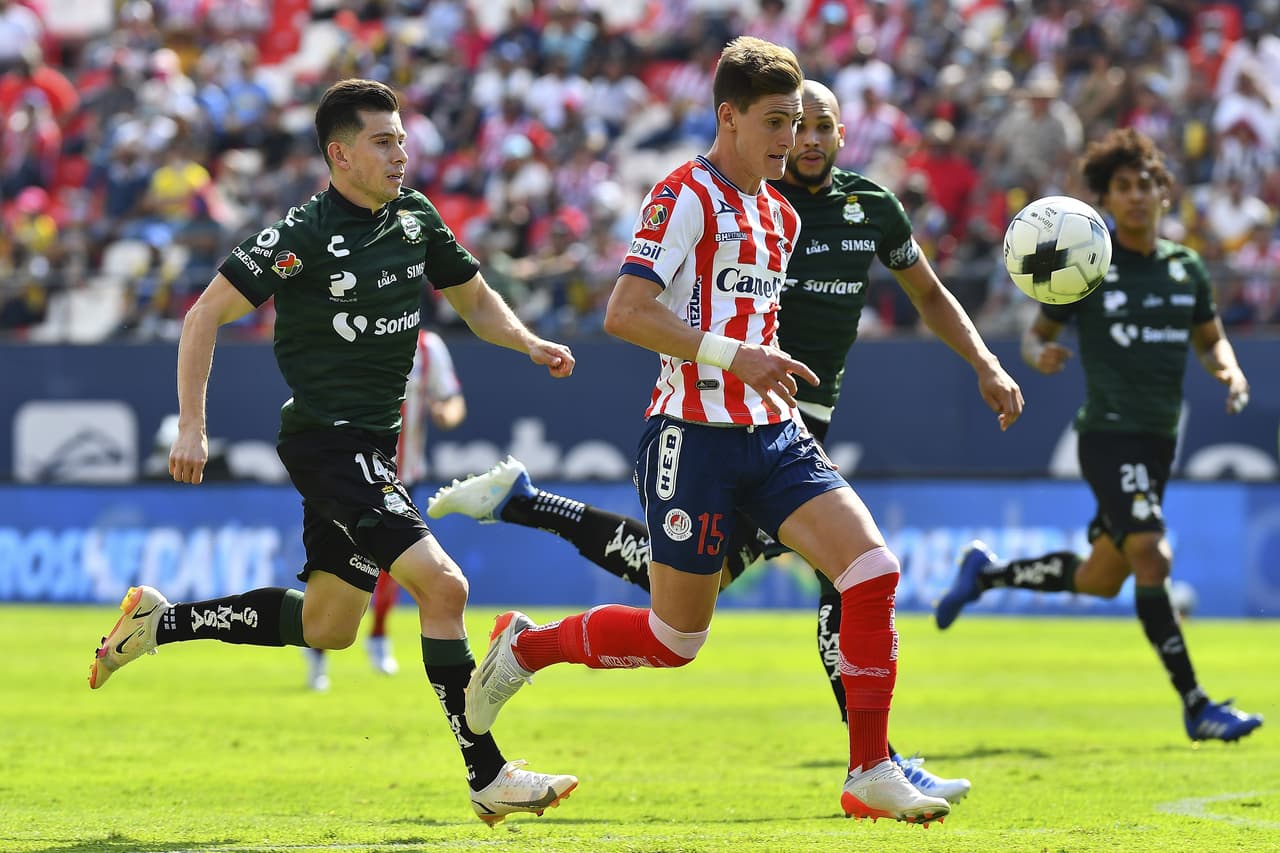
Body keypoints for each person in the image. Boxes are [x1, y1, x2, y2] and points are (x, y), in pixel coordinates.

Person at [464, 38, 1023, 825]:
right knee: (675, 639)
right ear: (728, 116)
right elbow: (624, 312)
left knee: (871, 570)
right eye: (775, 121)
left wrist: (764, 365)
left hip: (773, 431)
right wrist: (736, 356)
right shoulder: (683, 194)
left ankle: (870, 767)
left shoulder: (779, 214)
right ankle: (526, 647)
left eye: (797, 121)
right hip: (692, 434)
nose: (790, 138)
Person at [87, 78, 580, 825]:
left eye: (402, 140)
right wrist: (191, 424)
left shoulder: (415, 217)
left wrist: (529, 341)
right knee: (443, 588)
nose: (400, 154)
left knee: (329, 625)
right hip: (328, 442)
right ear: (340, 155)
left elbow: (475, 299)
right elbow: (202, 316)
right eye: (383, 142)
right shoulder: (302, 235)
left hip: (372, 443)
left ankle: (158, 622)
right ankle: (488, 773)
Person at [934, 127, 1264, 744]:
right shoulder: (1087, 264)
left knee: (1102, 578)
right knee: (1152, 553)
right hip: (1109, 436)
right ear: (1106, 200)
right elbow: (1037, 336)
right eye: (1123, 187)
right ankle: (1197, 705)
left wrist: (1230, 369)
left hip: (1158, 442)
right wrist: (1039, 355)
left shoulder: (1186, 268)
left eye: (1145, 185)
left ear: (1164, 194)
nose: (1135, 196)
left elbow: (1211, 338)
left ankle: (986, 574)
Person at [305, 328, 467, 689]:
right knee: (335, 563)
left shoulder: (427, 347)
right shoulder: (349, 332)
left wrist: (447, 413)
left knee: (394, 563)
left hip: (400, 478)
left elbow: (452, 398)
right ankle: (317, 650)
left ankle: (378, 634)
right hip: (348, 475)